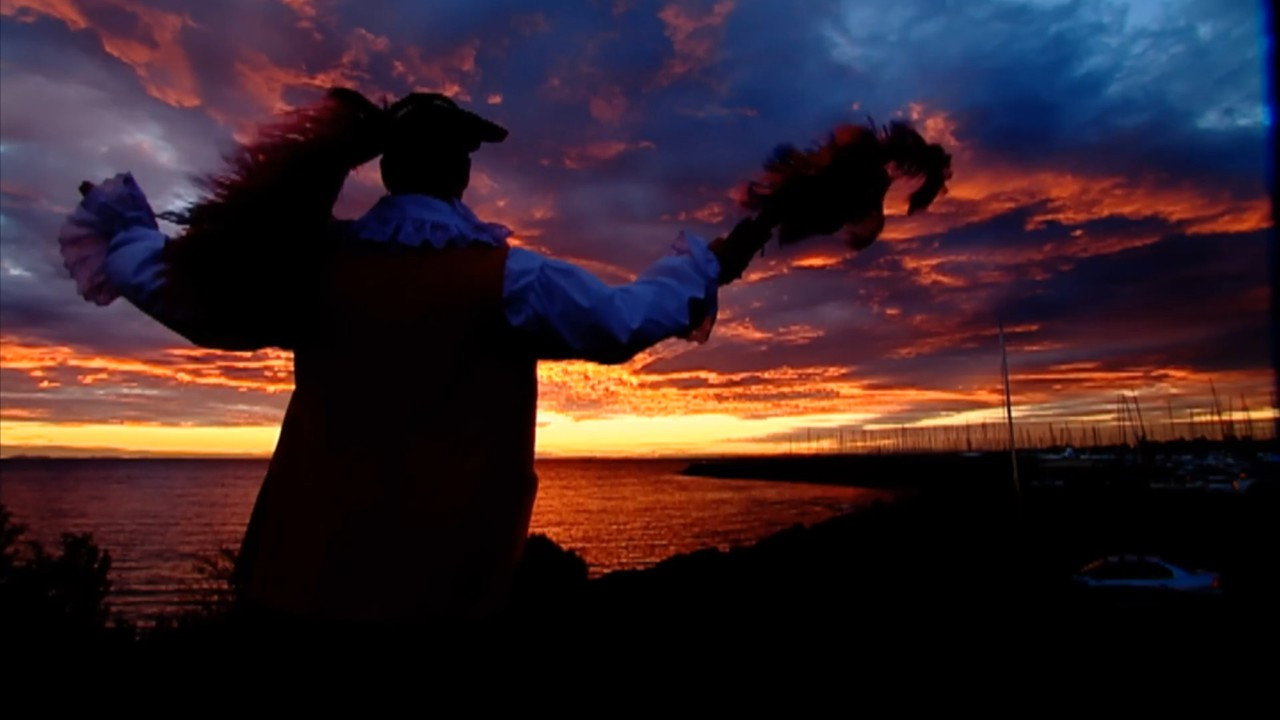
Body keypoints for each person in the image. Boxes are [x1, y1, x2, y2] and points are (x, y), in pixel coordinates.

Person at [58, 88, 775, 643]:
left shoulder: (314, 267)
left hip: (302, 580)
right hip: (441, 589)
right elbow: (623, 322)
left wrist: (127, 237)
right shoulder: (509, 278)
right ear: (460, 172)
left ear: (390, 171)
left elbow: (195, 301)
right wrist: (705, 266)